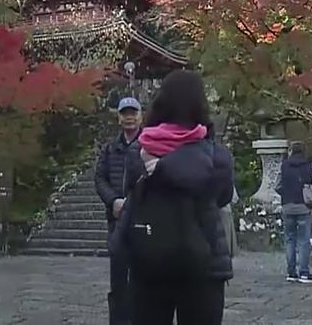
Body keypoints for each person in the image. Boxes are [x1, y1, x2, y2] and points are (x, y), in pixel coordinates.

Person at [112, 70, 234, 325]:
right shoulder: (215, 155)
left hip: (149, 258)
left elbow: (130, 192)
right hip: (205, 263)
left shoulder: (139, 151)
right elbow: (222, 197)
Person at [96, 96, 144, 325]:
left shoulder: (149, 146)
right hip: (116, 221)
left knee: (141, 278)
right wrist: (113, 200)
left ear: (140, 116)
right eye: (125, 113)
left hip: (142, 221)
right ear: (119, 117)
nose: (129, 117)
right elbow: (100, 178)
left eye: (133, 112)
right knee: (117, 279)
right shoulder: (110, 149)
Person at [276, 141, 312, 284]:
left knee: (289, 239)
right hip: (304, 206)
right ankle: (304, 272)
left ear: (291, 151)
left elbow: (277, 185)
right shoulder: (310, 166)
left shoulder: (284, 166)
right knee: (303, 240)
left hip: (287, 205)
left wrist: (286, 193)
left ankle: (291, 273)